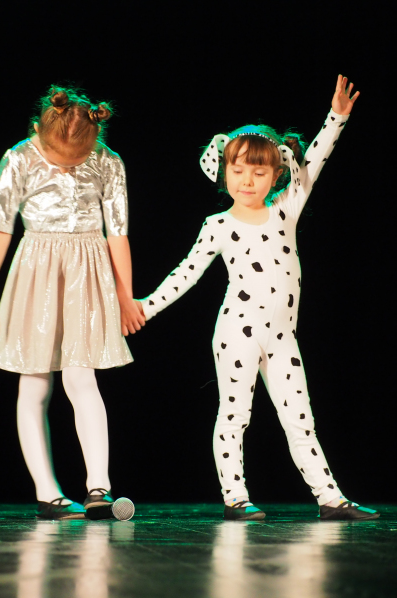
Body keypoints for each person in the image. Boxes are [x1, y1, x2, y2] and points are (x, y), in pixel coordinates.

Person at [138, 75, 379, 521]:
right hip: (237, 332)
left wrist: (337, 117)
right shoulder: (218, 225)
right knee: (235, 416)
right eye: (238, 170)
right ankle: (236, 497)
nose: (247, 181)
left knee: (301, 419)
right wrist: (145, 307)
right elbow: (186, 274)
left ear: (276, 174)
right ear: (223, 171)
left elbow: (316, 159)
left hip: (283, 337)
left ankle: (330, 498)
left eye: (259, 172)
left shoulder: (286, 207)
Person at [0, 85, 145, 520]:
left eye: (76, 159)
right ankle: (47, 492)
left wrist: (125, 294)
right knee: (34, 381)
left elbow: (118, 233)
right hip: (36, 271)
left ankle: (99, 486)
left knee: (82, 377)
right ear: (37, 131)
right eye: (59, 158)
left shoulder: (108, 161)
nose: (68, 166)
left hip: (87, 270)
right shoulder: (19, 158)